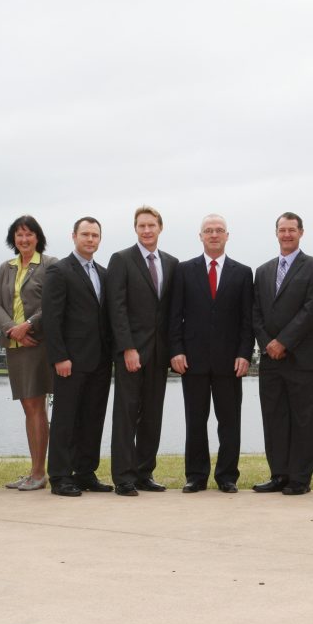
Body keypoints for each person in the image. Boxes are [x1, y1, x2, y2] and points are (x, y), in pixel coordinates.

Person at [169, 214, 254, 493]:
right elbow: (175, 315)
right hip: (191, 360)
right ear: (200, 236)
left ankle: (227, 476)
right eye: (208, 231)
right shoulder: (183, 270)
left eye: (219, 230)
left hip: (230, 362)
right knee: (195, 421)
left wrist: (245, 353)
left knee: (229, 422)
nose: (214, 235)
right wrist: (176, 350)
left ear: (227, 235)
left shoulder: (243, 273)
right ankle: (196, 475)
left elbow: (247, 319)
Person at [105, 206, 178, 496]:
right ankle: (123, 477)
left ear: (160, 227)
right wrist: (127, 348)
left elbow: (171, 311)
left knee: (152, 414)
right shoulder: (121, 260)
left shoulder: (172, 263)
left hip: (160, 354)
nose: (146, 230)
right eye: (141, 226)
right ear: (135, 229)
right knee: (126, 414)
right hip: (131, 352)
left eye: (151, 225)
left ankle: (144, 472)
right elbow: (117, 307)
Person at [251, 212, 313, 496]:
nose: (287, 235)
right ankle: (278, 474)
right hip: (270, 359)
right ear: (276, 233)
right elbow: (255, 311)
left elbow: (311, 310)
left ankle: (300, 478)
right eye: (282, 230)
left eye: (292, 230)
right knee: (274, 418)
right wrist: (268, 342)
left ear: (301, 232)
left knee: (303, 420)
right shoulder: (264, 270)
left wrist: (284, 341)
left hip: (301, 358)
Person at [42, 217, 113, 496]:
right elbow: (51, 317)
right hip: (70, 360)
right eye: (85, 234)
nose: (90, 239)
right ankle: (60, 476)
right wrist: (59, 356)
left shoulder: (104, 273)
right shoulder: (59, 271)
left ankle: (85, 472)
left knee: (93, 418)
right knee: (65, 419)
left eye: (95, 235)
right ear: (74, 236)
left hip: (100, 360)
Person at [0, 215, 58, 491]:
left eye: (29, 234)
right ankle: (35, 471)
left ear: (38, 237)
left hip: (39, 344)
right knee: (29, 408)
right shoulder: (6, 267)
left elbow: (53, 302)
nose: (24, 239)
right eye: (19, 235)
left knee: (36, 407)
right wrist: (10, 328)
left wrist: (28, 325)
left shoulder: (50, 265)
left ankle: (39, 473)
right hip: (16, 346)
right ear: (13, 239)